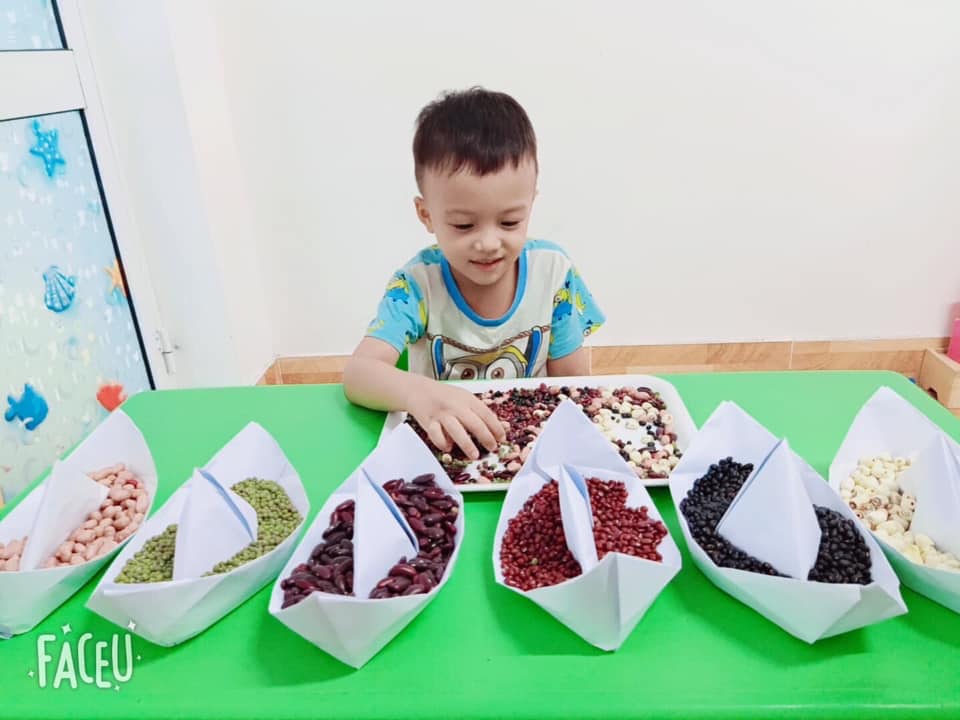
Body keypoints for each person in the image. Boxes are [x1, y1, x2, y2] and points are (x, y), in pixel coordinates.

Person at [343, 87, 605, 461]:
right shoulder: (416, 286)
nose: (488, 243)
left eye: (510, 221)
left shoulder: (554, 273)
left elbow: (574, 385)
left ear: (531, 203)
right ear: (426, 215)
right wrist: (420, 395)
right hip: (444, 452)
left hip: (531, 451)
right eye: (464, 225)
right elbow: (358, 374)